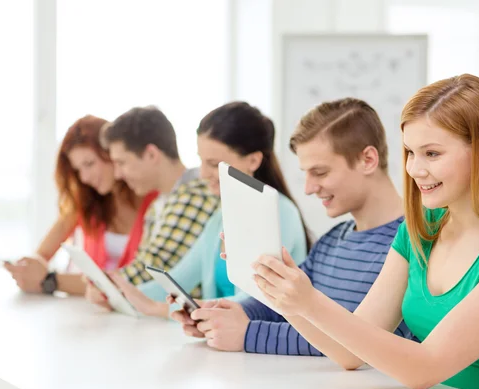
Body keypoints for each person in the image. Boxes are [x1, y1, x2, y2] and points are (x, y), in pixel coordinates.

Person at [250, 75, 479, 389]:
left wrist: (310, 302)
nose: (414, 169)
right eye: (410, 152)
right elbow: (349, 352)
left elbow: (424, 369)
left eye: (432, 153)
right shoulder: (423, 228)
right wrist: (286, 296)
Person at [171, 98, 415, 354]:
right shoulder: (332, 241)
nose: (308, 189)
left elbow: (360, 339)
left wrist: (247, 334)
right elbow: (285, 306)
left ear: (367, 160)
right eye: (306, 174)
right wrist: (221, 314)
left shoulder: (412, 243)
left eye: (320, 173)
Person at [104, 101, 311, 318]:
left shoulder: (279, 214)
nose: (203, 174)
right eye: (201, 161)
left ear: (253, 160)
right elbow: (181, 278)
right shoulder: (220, 218)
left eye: (213, 164)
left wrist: (167, 309)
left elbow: (257, 300)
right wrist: (120, 294)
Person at [3, 115, 157, 295]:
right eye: (78, 170)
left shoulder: (154, 201)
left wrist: (50, 280)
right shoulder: (86, 203)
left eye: (89, 164)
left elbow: (139, 281)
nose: (84, 177)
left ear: (112, 154)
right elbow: (42, 254)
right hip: (91, 311)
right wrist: (30, 266)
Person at [84, 106, 219, 309]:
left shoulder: (194, 197)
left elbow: (153, 268)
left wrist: (105, 284)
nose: (118, 174)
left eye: (122, 162)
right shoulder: (158, 205)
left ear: (151, 154)